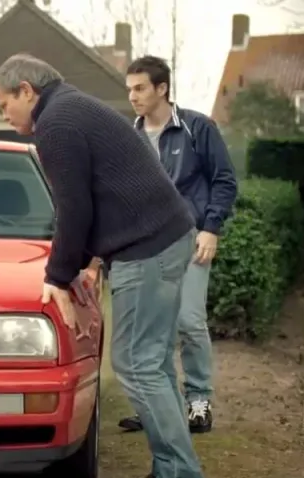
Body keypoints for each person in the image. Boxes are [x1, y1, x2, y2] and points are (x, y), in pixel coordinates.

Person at [0, 54, 205, 478]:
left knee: (137, 363)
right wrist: (82, 262)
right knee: (153, 362)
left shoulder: (56, 123)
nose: (3, 115)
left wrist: (57, 275)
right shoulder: (71, 107)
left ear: (26, 91)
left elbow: (73, 208)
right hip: (165, 238)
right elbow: (92, 197)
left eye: (4, 105)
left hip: (147, 248)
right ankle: (174, 469)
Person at [120, 55, 238, 437]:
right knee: (153, 329)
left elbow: (224, 180)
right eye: (129, 89)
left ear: (162, 88)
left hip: (191, 240)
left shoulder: (197, 127)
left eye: (140, 88)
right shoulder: (130, 137)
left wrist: (211, 228)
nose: (132, 96)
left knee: (188, 320)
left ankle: (199, 400)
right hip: (147, 246)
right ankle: (160, 404)